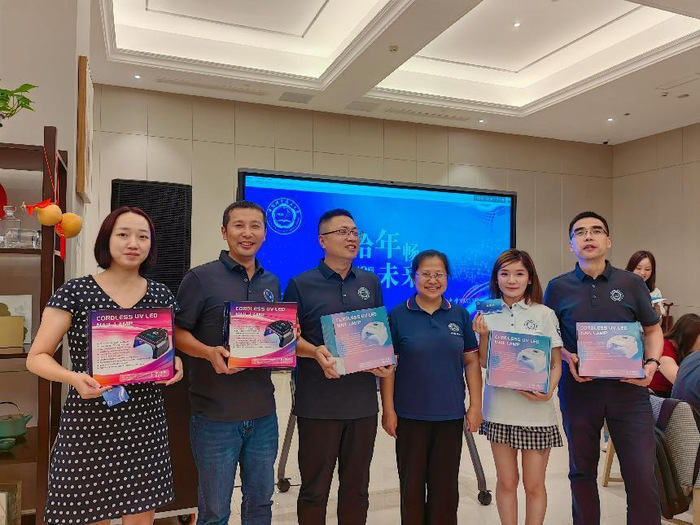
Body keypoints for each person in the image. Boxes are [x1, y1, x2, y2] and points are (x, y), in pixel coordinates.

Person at [26, 206, 184, 525]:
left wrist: (175, 361)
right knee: (90, 514)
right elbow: (37, 357)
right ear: (106, 240)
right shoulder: (75, 292)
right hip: (91, 423)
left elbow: (168, 348)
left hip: (144, 423)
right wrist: (73, 377)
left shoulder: (161, 295)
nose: (133, 243)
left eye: (142, 237)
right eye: (123, 234)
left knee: (141, 515)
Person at [543, 211, 663, 525]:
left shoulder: (632, 283)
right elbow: (550, 340)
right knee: (581, 471)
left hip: (630, 392)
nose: (588, 236)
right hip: (579, 391)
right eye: (580, 232)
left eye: (596, 230)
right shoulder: (557, 287)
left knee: (641, 473)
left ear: (608, 241)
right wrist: (567, 356)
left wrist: (652, 364)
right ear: (571, 244)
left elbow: (653, 330)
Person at [283, 209, 395, 525]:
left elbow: (378, 334)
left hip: (362, 405)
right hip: (318, 405)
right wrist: (315, 351)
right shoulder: (300, 284)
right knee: (314, 490)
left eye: (355, 232)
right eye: (343, 232)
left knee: (357, 490)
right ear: (323, 241)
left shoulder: (370, 281)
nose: (352, 238)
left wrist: (383, 361)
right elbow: (287, 341)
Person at [175, 201, 280, 525]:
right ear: (224, 232)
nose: (247, 233)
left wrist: (287, 336)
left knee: (260, 504)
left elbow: (272, 335)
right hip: (214, 417)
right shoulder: (200, 278)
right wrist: (209, 352)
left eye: (255, 226)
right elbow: (176, 333)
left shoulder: (271, 283)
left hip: (263, 414)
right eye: (238, 225)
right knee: (215, 511)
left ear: (265, 233)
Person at [380, 250, 482, 525]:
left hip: (450, 415)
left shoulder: (459, 314)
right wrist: (388, 410)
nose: (433, 280)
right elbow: (388, 367)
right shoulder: (397, 315)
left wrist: (475, 406)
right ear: (413, 276)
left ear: (447, 277)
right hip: (409, 416)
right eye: (426, 274)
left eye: (439, 274)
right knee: (411, 488)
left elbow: (471, 361)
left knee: (445, 490)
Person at [472, 249, 562, 525]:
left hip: (537, 414)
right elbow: (484, 362)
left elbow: (555, 363)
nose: (512, 280)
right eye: (505, 274)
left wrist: (549, 391)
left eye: (519, 274)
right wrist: (483, 336)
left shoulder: (545, 314)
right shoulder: (486, 311)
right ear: (496, 278)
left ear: (530, 278)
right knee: (506, 482)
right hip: (499, 411)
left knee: (534, 485)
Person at [649, 314, 700, 397]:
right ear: (689, 335)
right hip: (656, 396)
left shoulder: (688, 352)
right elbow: (682, 381)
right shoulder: (662, 347)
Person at [626, 250, 666, 316]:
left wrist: (657, 314)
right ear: (631, 268)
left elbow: (659, 321)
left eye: (647, 269)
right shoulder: (620, 288)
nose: (642, 273)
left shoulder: (655, 292)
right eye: (638, 268)